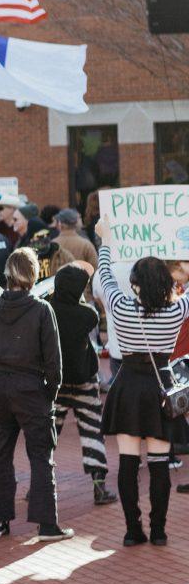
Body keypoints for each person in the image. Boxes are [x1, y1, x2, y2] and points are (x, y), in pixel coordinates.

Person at [96, 218, 189, 547]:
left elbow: (104, 274)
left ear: (135, 284)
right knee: (160, 464)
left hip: (129, 387)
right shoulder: (177, 312)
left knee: (127, 462)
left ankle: (133, 529)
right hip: (162, 385)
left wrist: (105, 241)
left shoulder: (120, 308)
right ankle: (159, 530)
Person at [0, 248, 72, 540]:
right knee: (41, 455)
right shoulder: (42, 310)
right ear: (32, 275)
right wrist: (51, 393)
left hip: (0, 388)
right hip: (31, 388)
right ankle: (46, 524)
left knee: (0, 456)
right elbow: (54, 361)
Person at [48, 261, 116, 505]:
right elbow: (90, 313)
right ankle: (99, 486)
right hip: (85, 380)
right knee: (92, 433)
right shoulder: (87, 314)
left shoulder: (48, 310)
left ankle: (40, 484)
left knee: (48, 434)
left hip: (56, 383)